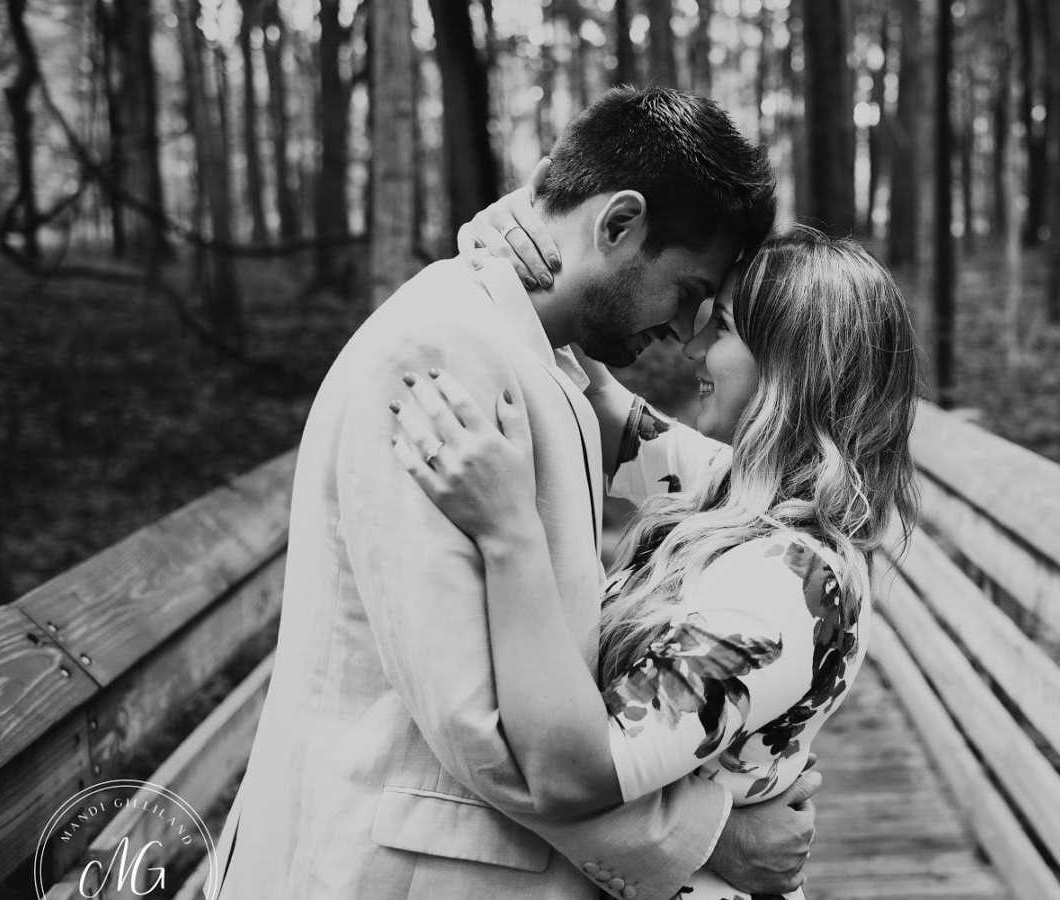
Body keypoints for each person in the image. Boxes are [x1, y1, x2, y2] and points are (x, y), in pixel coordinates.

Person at [210, 87, 818, 900]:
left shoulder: (541, 344)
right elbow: (485, 728)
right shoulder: (442, 355)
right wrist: (712, 839)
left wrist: (522, 216)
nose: (684, 331)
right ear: (618, 225)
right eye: (685, 289)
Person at [387, 217, 921, 899]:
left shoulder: (788, 582)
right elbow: (603, 402)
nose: (691, 345)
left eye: (721, 328)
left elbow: (572, 775)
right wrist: (528, 233)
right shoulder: (738, 490)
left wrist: (509, 533)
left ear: (792, 369)